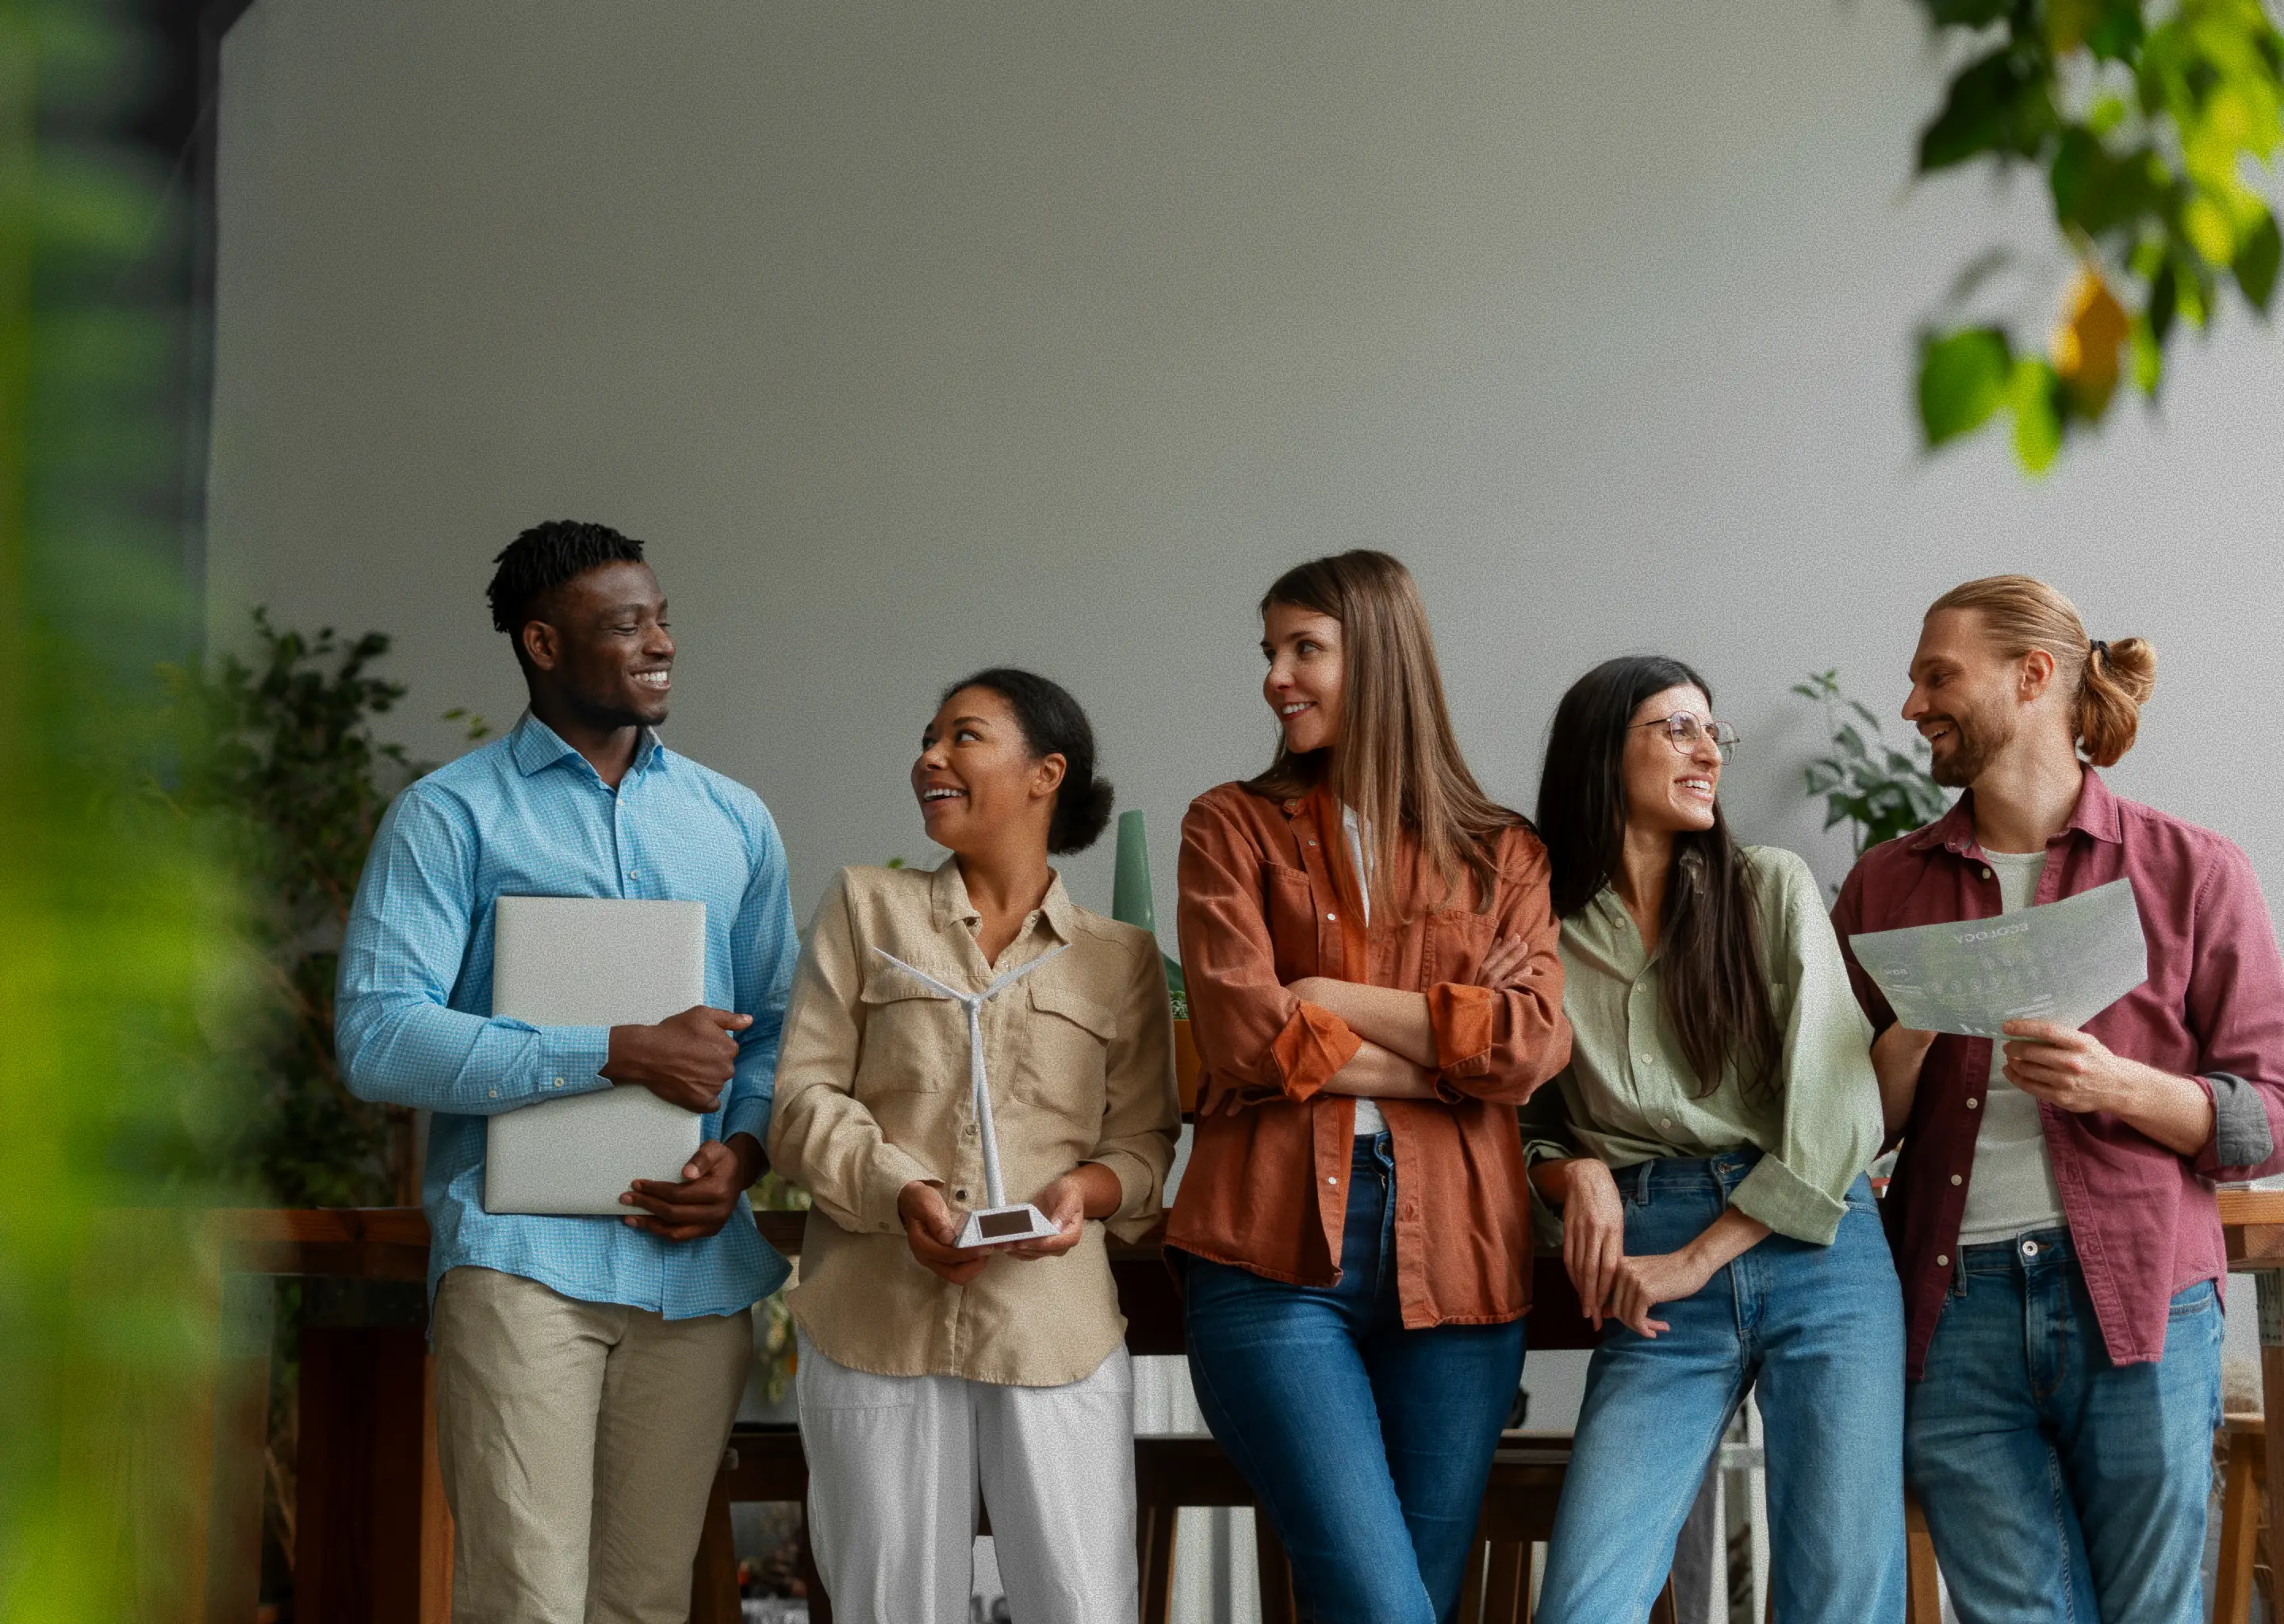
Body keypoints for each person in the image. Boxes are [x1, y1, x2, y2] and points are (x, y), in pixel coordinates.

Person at [336, 520, 797, 1622]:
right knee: (526, 1602)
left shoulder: (732, 822)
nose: (662, 643)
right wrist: (614, 1050)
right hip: (522, 1269)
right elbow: (377, 1034)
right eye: (626, 624)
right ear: (543, 644)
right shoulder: (449, 817)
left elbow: (782, 1032)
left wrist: (740, 1156)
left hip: (694, 1278)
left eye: (663, 617)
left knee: (641, 1606)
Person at [1835, 576, 2284, 1624]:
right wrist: (1901, 1048)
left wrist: (2116, 1084)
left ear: (2032, 677)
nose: (1912, 705)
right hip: (1953, 1315)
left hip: (2141, 1301)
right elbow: (1846, 1131)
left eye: (1937, 676)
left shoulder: (2192, 873)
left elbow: (2269, 1114)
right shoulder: (1884, 889)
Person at [1167, 550, 1570, 1624]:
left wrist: (1331, 993)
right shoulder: (1229, 827)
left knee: (1413, 1605)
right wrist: (1452, 1071)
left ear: (1380, 660)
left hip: (1464, 1271)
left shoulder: (1504, 854)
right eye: (1270, 652)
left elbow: (1532, 1045)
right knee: (1382, 1608)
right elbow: (1247, 1035)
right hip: (1270, 1258)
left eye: (1307, 650)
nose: (1275, 678)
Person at [766, 668, 1179, 1623]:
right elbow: (800, 1100)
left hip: (1056, 1330)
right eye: (927, 738)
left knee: (1083, 1605)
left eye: (964, 736)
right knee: (886, 1609)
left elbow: (1145, 1144)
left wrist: (1087, 1187)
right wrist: (901, 1189)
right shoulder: (867, 909)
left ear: (1046, 774)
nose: (930, 757)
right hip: (874, 1322)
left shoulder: (1117, 958)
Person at [1523, 656, 1903, 1622]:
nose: (1707, 751)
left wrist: (1700, 1256)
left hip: (1817, 1244)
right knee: (1586, 1597)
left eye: (1712, 733)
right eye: (1677, 728)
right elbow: (1519, 1113)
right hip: (1649, 1266)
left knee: (1838, 1594)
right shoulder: (1542, 929)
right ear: (1604, 755)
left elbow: (1838, 1110)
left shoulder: (1766, 887)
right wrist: (1574, 1175)